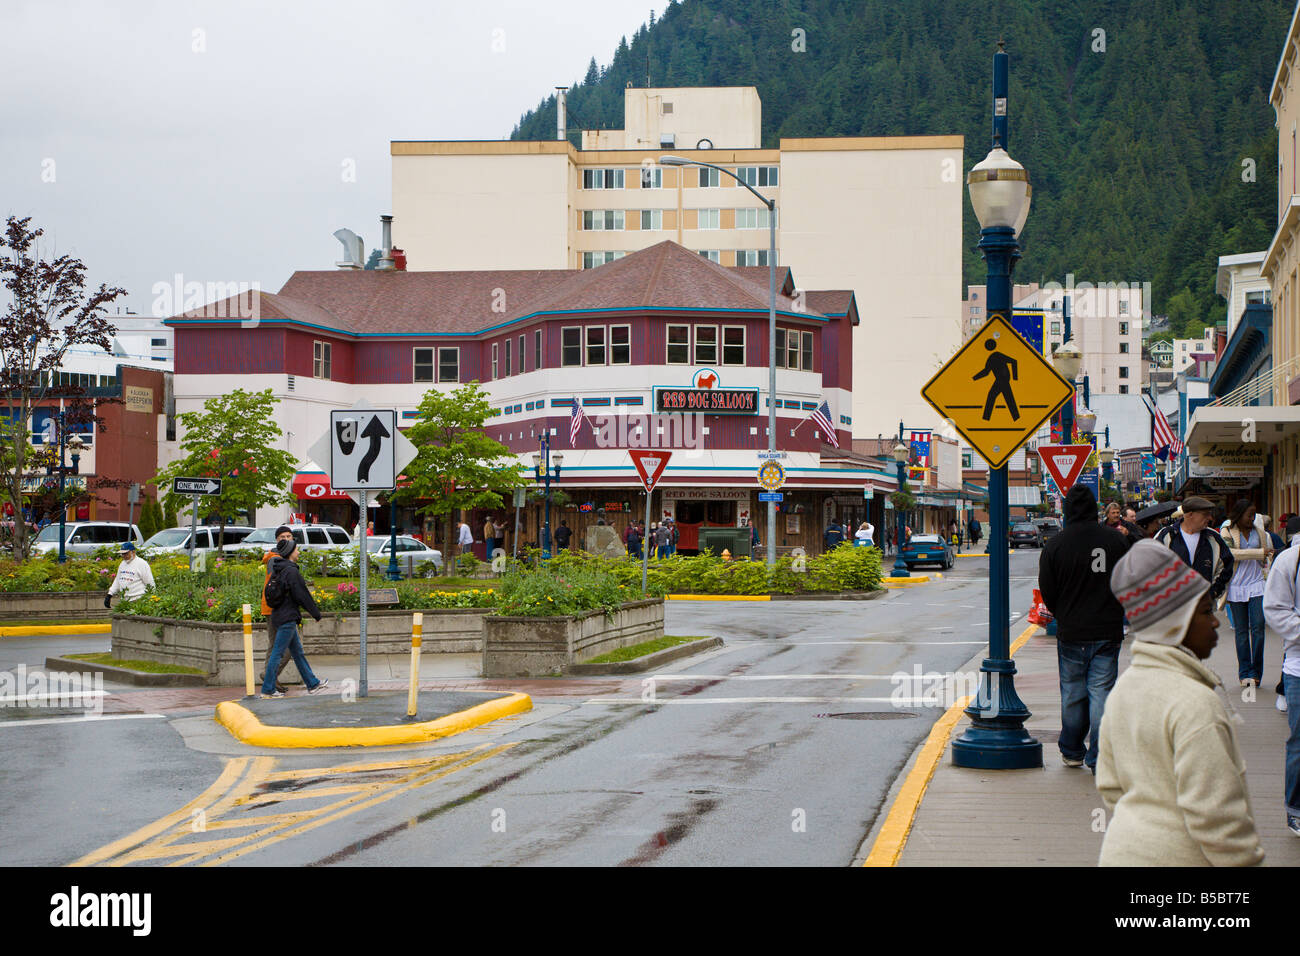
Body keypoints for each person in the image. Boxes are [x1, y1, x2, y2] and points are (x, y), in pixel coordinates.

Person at [1097, 540, 1265, 866]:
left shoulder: (1123, 690)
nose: (1216, 620)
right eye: (1204, 611)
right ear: (1174, 625)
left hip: (1123, 851)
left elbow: (1110, 785)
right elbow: (1217, 818)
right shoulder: (1195, 703)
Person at [1038, 485, 1130, 772]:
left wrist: (1062, 612)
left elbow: (1047, 590)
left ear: (1066, 511)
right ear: (1095, 508)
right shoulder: (1115, 540)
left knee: (1073, 692)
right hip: (1107, 628)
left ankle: (1072, 749)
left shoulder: (1055, 545)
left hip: (1072, 630)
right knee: (1101, 693)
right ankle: (1099, 756)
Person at [261, 537, 328, 698]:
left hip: (280, 615)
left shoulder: (279, 568)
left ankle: (312, 683)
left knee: (297, 652)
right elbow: (302, 595)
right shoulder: (291, 571)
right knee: (277, 653)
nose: (298, 552)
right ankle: (268, 689)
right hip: (287, 618)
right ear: (290, 552)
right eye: (296, 549)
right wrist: (316, 614)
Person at [1222, 500, 1273, 689]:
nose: (1252, 519)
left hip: (1256, 584)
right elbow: (1230, 553)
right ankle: (1245, 672)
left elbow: (1265, 555)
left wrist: (1267, 556)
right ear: (1239, 514)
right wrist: (1259, 552)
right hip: (1236, 585)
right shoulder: (1227, 531)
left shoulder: (1259, 532)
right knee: (1242, 632)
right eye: (1249, 515)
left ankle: (1256, 672)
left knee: (1259, 628)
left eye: (1254, 515)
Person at [1153, 496, 1234, 602]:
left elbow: (1226, 566)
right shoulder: (1167, 535)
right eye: (1205, 514)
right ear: (1190, 515)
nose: (1210, 518)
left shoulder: (1213, 537)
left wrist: (1213, 592)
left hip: (1202, 608)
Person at [258, 525, 296, 694]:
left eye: (289, 536)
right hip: (274, 608)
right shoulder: (275, 558)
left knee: (276, 646)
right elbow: (279, 585)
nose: (286, 539)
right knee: (285, 648)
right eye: (282, 537)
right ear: (277, 540)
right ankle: (268, 676)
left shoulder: (284, 556)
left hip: (281, 608)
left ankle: (272, 679)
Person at [105, 540, 154, 605]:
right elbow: (118, 580)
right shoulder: (122, 564)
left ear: (133, 552)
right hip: (125, 601)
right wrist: (109, 594)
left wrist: (151, 599)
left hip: (139, 600)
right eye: (122, 554)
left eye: (126, 553)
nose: (123, 555)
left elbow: (149, 582)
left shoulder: (142, 564)